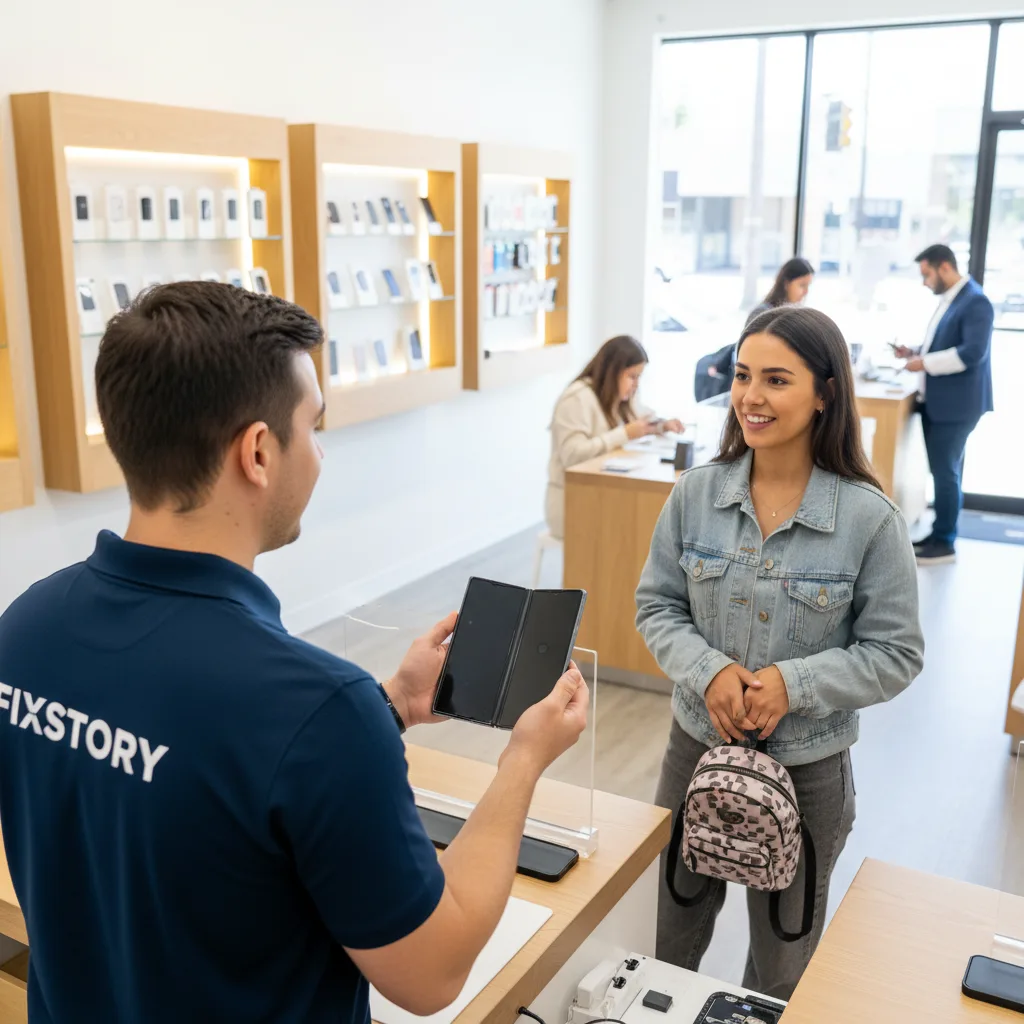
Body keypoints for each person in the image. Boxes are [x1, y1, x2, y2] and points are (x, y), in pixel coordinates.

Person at [0, 283, 590, 1024]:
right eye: (313, 426)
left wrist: (393, 706)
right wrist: (524, 760)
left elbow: (182, 789)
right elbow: (433, 972)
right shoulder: (316, 709)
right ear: (257, 451)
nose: (318, 452)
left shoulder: (23, 630)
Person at [636, 305, 923, 1000]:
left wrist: (792, 685)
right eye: (741, 376)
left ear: (824, 392)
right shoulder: (695, 494)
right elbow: (657, 607)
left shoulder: (868, 519)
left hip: (810, 772)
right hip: (693, 752)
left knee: (780, 965)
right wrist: (708, 672)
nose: (751, 397)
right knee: (667, 936)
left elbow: (896, 652)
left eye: (776, 379)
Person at [894, 243, 994, 565]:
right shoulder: (952, 300)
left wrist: (923, 364)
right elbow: (943, 344)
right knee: (945, 471)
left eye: (927, 274)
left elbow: (970, 354)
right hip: (941, 402)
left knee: (945, 473)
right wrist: (914, 352)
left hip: (957, 406)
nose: (925, 282)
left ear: (945, 268)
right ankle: (940, 533)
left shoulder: (975, 301)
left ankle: (945, 542)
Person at [545, 335, 683, 539]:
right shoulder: (577, 398)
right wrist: (624, 434)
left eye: (639, 377)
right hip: (571, 501)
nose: (636, 384)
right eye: (632, 376)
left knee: (646, 523)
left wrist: (661, 425)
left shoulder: (617, 397)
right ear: (612, 372)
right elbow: (572, 456)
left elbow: (641, 418)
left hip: (600, 495)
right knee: (637, 530)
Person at [695, 258, 816, 403]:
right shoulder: (763, 316)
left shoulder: (793, 316)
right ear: (786, 283)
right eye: (802, 285)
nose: (806, 292)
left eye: (808, 286)